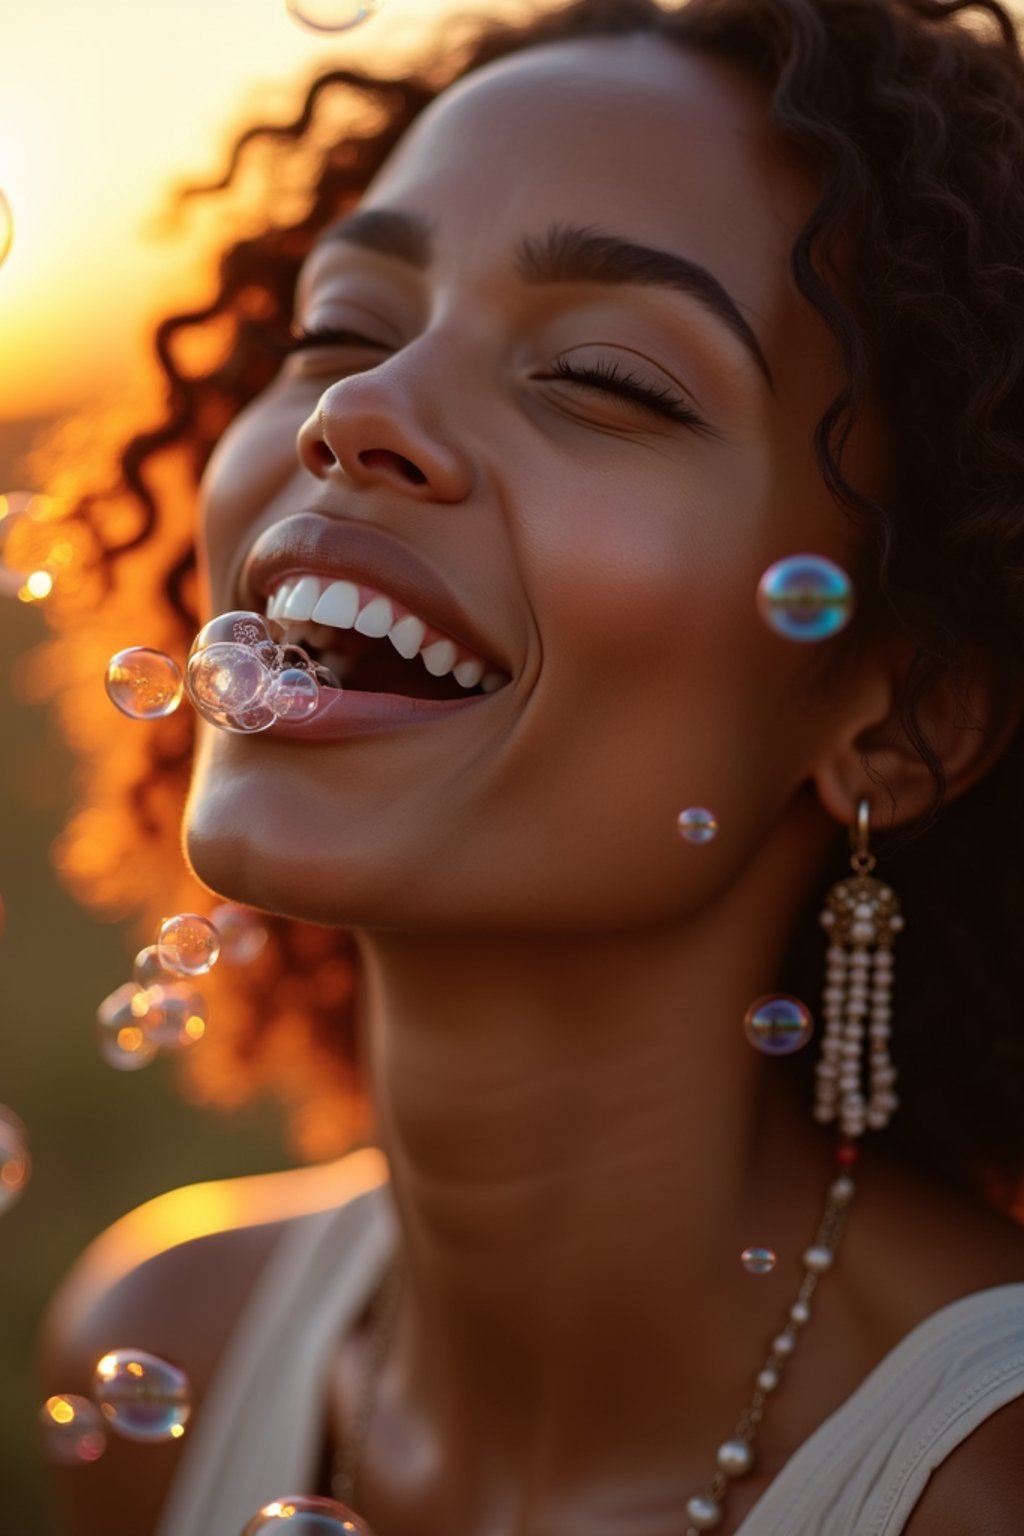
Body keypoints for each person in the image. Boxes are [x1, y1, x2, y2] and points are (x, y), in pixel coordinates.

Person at [39, 0, 1024, 1531]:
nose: (356, 413)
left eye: (605, 379)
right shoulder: (169, 1345)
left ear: (899, 726)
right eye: (340, 331)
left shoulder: (986, 1482)